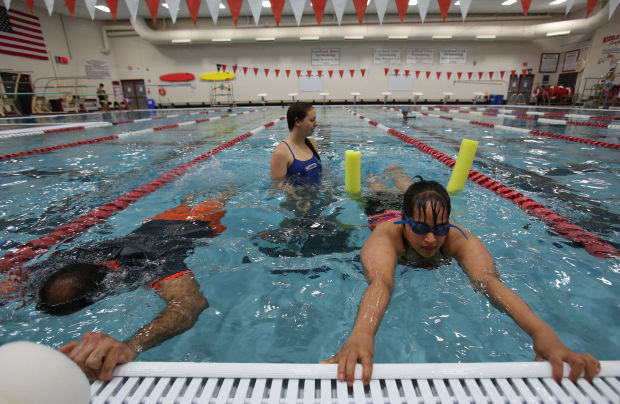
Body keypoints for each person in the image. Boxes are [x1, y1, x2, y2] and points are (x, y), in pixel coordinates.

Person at [321, 166, 600, 386]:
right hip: (383, 211)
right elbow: (381, 282)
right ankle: (378, 179)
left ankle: (400, 175)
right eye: (420, 229)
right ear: (406, 223)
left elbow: (488, 282)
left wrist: (544, 334)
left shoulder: (456, 237)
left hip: (419, 208)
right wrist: (362, 333)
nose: (432, 239)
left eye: (440, 229)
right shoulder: (387, 236)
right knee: (379, 192)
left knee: (420, 197)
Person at [0, 189, 234, 381]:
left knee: (218, 199)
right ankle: (193, 197)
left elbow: (190, 303)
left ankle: (225, 189)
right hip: (158, 223)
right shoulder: (74, 259)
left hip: (198, 224)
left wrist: (131, 346)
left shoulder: (155, 262)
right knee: (191, 202)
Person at [270, 102, 321, 189]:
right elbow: (278, 186)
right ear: (298, 121)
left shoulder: (313, 144)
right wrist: (296, 197)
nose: (316, 124)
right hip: (296, 200)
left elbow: (318, 173)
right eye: (312, 120)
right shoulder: (281, 153)